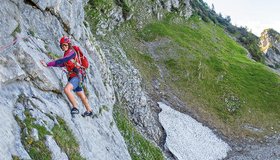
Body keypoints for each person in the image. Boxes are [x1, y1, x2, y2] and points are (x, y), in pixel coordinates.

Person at [40, 36, 93, 117]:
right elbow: (62, 64)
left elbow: (63, 60)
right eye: (62, 45)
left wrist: (47, 64)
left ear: (68, 45)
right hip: (77, 77)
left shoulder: (71, 52)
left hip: (76, 77)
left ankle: (75, 107)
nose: (64, 47)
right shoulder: (67, 53)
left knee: (67, 89)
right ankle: (89, 110)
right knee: (81, 95)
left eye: (65, 45)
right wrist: (51, 65)